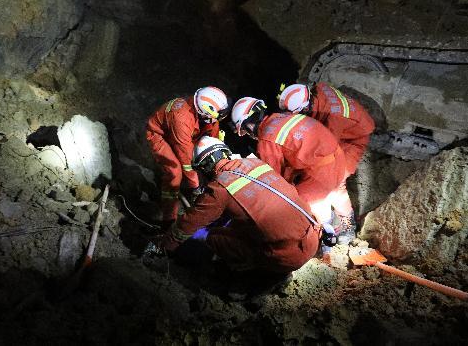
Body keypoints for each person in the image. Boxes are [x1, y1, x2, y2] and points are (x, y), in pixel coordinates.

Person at [160, 136, 323, 273]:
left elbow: (189, 223)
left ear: (205, 166)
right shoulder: (257, 164)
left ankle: (252, 276)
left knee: (214, 236)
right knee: (236, 226)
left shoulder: (219, 188)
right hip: (314, 235)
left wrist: (165, 245)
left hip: (288, 258)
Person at [230, 96, 346, 251]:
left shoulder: (266, 140)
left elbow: (275, 181)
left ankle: (325, 244)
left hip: (321, 171)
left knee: (301, 208)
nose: (248, 134)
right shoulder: (282, 117)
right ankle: (347, 228)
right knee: (338, 195)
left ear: (249, 123)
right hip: (338, 156)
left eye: (244, 130)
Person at [278, 83, 375, 244]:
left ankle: (348, 225)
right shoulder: (317, 90)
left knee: (336, 181)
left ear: (306, 107)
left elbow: (326, 149)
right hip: (344, 130)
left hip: (354, 139)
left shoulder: (332, 117)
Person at [146, 87, 229, 227]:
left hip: (185, 134)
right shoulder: (181, 119)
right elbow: (186, 160)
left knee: (202, 163)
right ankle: (168, 218)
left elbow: (212, 138)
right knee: (175, 173)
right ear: (205, 111)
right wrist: (195, 187)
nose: (218, 119)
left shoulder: (207, 112)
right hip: (159, 135)